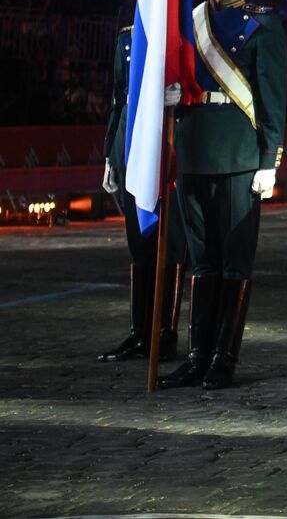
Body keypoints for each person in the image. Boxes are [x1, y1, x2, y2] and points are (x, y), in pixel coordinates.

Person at [159, 0, 287, 391]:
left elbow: (272, 98)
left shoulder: (262, 23)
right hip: (193, 150)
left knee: (234, 260)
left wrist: (268, 159)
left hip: (237, 153)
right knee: (202, 259)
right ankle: (197, 354)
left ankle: (224, 357)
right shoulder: (187, 20)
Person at [97, 23, 184, 364]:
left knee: (172, 243)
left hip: (172, 149)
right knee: (139, 242)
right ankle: (140, 333)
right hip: (131, 146)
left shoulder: (189, 29)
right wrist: (110, 153)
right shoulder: (129, 35)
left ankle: (165, 334)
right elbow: (119, 97)